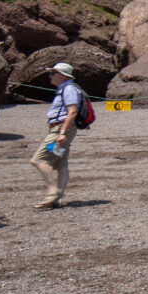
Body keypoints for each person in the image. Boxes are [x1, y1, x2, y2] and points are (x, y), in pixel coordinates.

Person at [29, 62, 83, 210]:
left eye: (53, 73)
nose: (50, 76)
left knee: (38, 160)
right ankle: (56, 199)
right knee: (60, 162)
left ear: (63, 75)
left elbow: (72, 111)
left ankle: (53, 191)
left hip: (60, 129)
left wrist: (62, 133)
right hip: (62, 129)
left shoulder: (69, 89)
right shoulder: (66, 89)